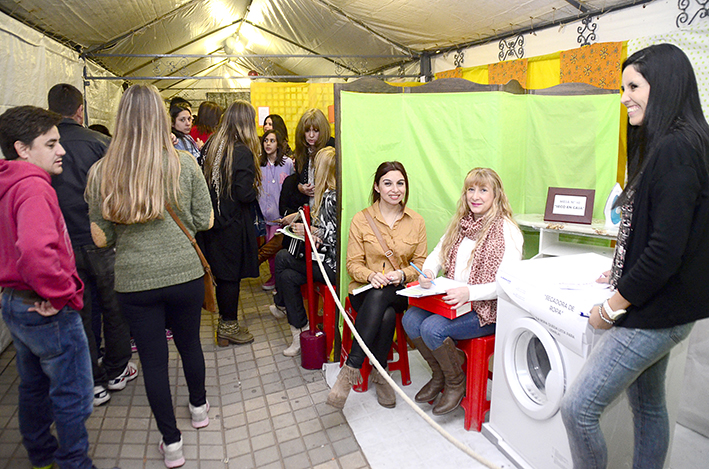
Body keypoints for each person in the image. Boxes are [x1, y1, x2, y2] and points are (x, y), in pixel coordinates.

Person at [561, 44, 709, 469]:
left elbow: (665, 251)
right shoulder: (674, 141)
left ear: (663, 87)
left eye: (633, 86)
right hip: (665, 306)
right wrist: (622, 262)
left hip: (655, 311)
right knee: (648, 406)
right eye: (622, 87)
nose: (624, 97)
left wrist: (608, 308)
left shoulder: (675, 148)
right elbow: (672, 230)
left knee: (577, 408)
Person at [86, 84, 213, 468]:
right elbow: (204, 220)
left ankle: (171, 445)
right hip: (185, 275)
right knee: (190, 344)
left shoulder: (102, 172)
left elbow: (101, 237)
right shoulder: (183, 162)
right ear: (162, 118)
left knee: (155, 362)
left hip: (135, 282)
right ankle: (199, 409)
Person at [0, 106, 94, 469]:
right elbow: (37, 251)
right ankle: (75, 464)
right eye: (51, 143)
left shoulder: (9, 184)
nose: (62, 150)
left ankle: (41, 457)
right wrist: (59, 295)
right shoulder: (33, 188)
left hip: (15, 302)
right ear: (23, 148)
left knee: (33, 387)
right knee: (74, 395)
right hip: (44, 308)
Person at [402, 167, 523, 415]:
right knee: (410, 319)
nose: (475, 196)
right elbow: (437, 253)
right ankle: (440, 376)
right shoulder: (462, 223)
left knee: (432, 328)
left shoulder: (508, 231)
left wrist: (470, 293)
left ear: (496, 195)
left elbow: (507, 284)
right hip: (456, 301)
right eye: (470, 189)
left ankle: (456, 384)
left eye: (483, 190)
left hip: (486, 309)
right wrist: (429, 272)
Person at [48, 83, 136, 407]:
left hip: (64, 246)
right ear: (80, 110)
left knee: (81, 312)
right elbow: (121, 192)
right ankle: (116, 370)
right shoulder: (100, 143)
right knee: (115, 308)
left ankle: (93, 380)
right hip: (102, 241)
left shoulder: (42, 146)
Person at [327, 161, 427, 409]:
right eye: (388, 183)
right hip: (365, 291)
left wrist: (402, 275)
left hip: (401, 291)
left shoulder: (416, 221)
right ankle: (380, 373)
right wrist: (371, 276)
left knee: (386, 300)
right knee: (385, 311)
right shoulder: (361, 220)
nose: (395, 189)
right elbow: (352, 264)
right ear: (377, 187)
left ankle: (349, 371)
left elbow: (421, 264)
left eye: (400, 183)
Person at [200, 100, 262, 346]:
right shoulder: (242, 151)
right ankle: (228, 327)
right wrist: (256, 187)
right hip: (233, 224)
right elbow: (243, 193)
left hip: (212, 222)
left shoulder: (211, 146)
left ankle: (225, 326)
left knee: (222, 276)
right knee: (230, 279)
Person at [271, 147, 338, 356]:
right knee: (288, 276)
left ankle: (293, 321)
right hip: (327, 261)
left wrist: (308, 231)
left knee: (282, 257)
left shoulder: (330, 197)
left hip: (332, 267)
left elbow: (335, 236)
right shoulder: (330, 194)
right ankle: (298, 331)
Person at [257, 129, 294, 291]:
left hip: (280, 216)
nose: (268, 144)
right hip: (263, 215)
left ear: (278, 143)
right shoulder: (258, 163)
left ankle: (278, 279)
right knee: (267, 247)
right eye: (266, 140)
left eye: (272, 140)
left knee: (275, 247)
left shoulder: (287, 163)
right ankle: (274, 277)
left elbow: (291, 187)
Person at [281, 108, 333, 210]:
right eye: (307, 130)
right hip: (307, 207)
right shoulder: (302, 150)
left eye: (316, 131)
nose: (311, 135)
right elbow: (297, 178)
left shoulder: (331, 149)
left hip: (327, 207)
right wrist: (300, 187)